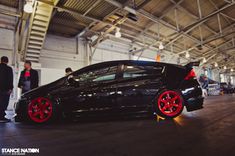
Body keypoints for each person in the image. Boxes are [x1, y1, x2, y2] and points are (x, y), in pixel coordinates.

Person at [0, 56, 13, 122]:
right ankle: (1, 117)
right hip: (6, 89)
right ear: (7, 61)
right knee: (4, 103)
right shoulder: (9, 69)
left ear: (1, 61)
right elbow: (10, 79)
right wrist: (10, 88)